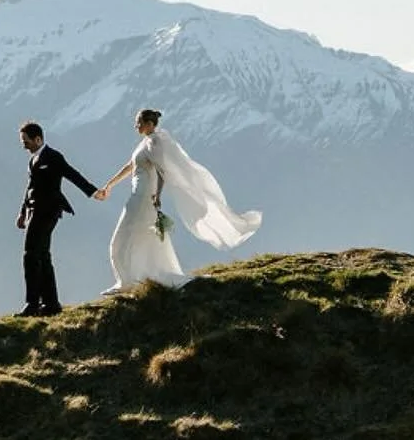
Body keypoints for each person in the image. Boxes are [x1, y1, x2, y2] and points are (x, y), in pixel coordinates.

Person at [98, 107, 261, 292]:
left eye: (139, 122)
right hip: (138, 195)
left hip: (143, 197)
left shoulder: (155, 142)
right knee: (143, 237)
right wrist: (110, 184)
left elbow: (162, 171)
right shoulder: (145, 142)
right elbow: (131, 165)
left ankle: (127, 281)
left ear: (150, 124)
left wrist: (157, 195)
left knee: (121, 238)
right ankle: (133, 279)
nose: (136, 126)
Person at [16, 120, 106, 316]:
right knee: (42, 255)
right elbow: (30, 187)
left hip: (48, 211)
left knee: (30, 255)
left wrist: (93, 192)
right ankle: (51, 304)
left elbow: (72, 174)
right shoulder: (33, 160)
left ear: (38, 139)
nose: (24, 145)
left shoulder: (53, 157)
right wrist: (23, 212)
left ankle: (32, 304)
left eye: (26, 141)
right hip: (33, 211)